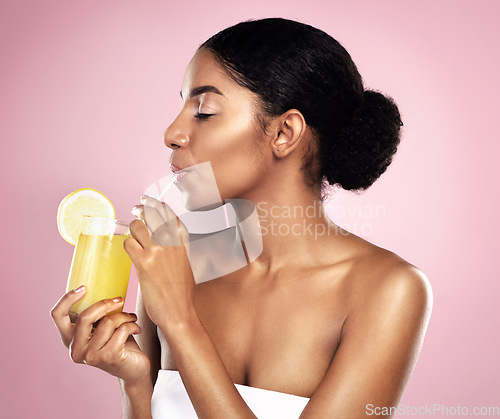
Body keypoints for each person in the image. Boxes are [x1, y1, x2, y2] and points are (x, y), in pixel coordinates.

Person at [51, 18, 432, 418]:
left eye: (204, 111)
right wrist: (133, 380)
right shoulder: (174, 266)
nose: (172, 133)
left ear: (284, 132)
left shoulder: (389, 289)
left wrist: (182, 324)